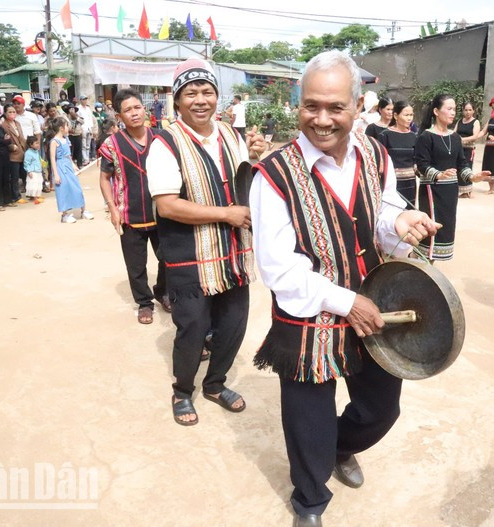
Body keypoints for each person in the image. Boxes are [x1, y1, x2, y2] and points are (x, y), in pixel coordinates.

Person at [249, 50, 441, 527]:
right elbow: (279, 270)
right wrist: (344, 301)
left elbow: (378, 210)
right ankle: (309, 501)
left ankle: (341, 447)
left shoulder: (373, 153)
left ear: (357, 106)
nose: (322, 119)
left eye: (335, 107)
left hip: (374, 302)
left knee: (381, 409)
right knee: (307, 421)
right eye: (311, 106)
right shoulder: (272, 176)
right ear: (298, 106)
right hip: (309, 314)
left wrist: (402, 219)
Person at [146, 58, 265, 426]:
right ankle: (182, 390)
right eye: (191, 93)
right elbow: (166, 205)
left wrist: (257, 158)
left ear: (218, 97)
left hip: (232, 254)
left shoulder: (232, 135)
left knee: (233, 325)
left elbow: (244, 183)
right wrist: (226, 213)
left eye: (208, 92)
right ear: (177, 100)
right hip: (190, 258)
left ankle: (215, 384)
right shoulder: (165, 143)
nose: (201, 100)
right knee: (193, 328)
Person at [98, 89, 170, 325]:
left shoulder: (162, 138)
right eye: (127, 110)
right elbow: (104, 178)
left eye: (137, 107)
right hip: (130, 214)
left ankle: (163, 291)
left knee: (168, 258)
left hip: (163, 213)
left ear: (144, 109)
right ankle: (144, 303)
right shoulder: (112, 144)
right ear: (119, 116)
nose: (134, 113)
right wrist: (112, 208)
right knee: (136, 265)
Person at [415, 94, 491, 262]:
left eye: (454, 109)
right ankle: (420, 268)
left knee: (445, 232)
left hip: (450, 193)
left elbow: (461, 164)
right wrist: (438, 174)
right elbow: (421, 164)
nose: (452, 113)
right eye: (448, 109)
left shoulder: (455, 138)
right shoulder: (426, 137)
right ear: (436, 111)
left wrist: (473, 177)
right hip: (432, 191)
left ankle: (428, 269)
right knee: (430, 232)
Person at [48, 116, 93, 223]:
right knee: (63, 190)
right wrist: (56, 174)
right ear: (61, 128)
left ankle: (83, 210)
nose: (68, 127)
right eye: (67, 125)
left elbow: (68, 156)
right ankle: (64, 215)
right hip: (60, 167)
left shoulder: (66, 139)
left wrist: (73, 164)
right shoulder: (54, 141)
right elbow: (52, 159)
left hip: (68, 165)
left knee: (77, 188)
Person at [379, 101, 418, 206]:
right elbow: (380, 161)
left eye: (411, 115)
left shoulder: (413, 136)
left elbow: (415, 159)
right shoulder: (385, 135)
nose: (409, 118)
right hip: (392, 184)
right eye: (406, 115)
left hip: (410, 183)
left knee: (410, 211)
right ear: (396, 115)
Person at [2, 104, 27, 204]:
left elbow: (21, 137)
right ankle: (15, 196)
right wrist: (11, 146)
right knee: (14, 176)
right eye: (10, 112)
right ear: (5, 113)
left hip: (22, 151)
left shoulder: (17, 123)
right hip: (12, 154)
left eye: (13, 112)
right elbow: (4, 140)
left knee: (24, 173)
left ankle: (27, 192)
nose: (12, 114)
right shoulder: (4, 125)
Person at [455, 102, 481, 198]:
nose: (468, 112)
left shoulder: (476, 122)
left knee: (467, 167)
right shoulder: (460, 121)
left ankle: (467, 191)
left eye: (470, 110)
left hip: (469, 149)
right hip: (459, 149)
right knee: (458, 168)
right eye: (466, 110)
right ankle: (458, 189)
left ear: (473, 111)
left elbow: (475, 136)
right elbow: (454, 133)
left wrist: (462, 139)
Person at [23, 136, 45, 204]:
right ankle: (35, 198)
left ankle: (36, 196)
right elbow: (26, 163)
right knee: (34, 184)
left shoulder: (36, 152)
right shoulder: (28, 153)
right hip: (33, 171)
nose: (38, 145)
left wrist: (42, 163)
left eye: (38, 143)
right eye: (36, 143)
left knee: (38, 183)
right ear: (31, 145)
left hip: (38, 170)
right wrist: (29, 171)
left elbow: (39, 159)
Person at [77, 95, 96, 164]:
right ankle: (85, 158)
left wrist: (91, 128)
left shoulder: (88, 108)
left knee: (88, 144)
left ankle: (87, 157)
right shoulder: (78, 108)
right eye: (83, 99)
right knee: (83, 144)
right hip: (83, 128)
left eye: (85, 99)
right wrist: (80, 129)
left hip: (88, 127)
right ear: (81, 100)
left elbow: (90, 119)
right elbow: (78, 119)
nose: (85, 101)